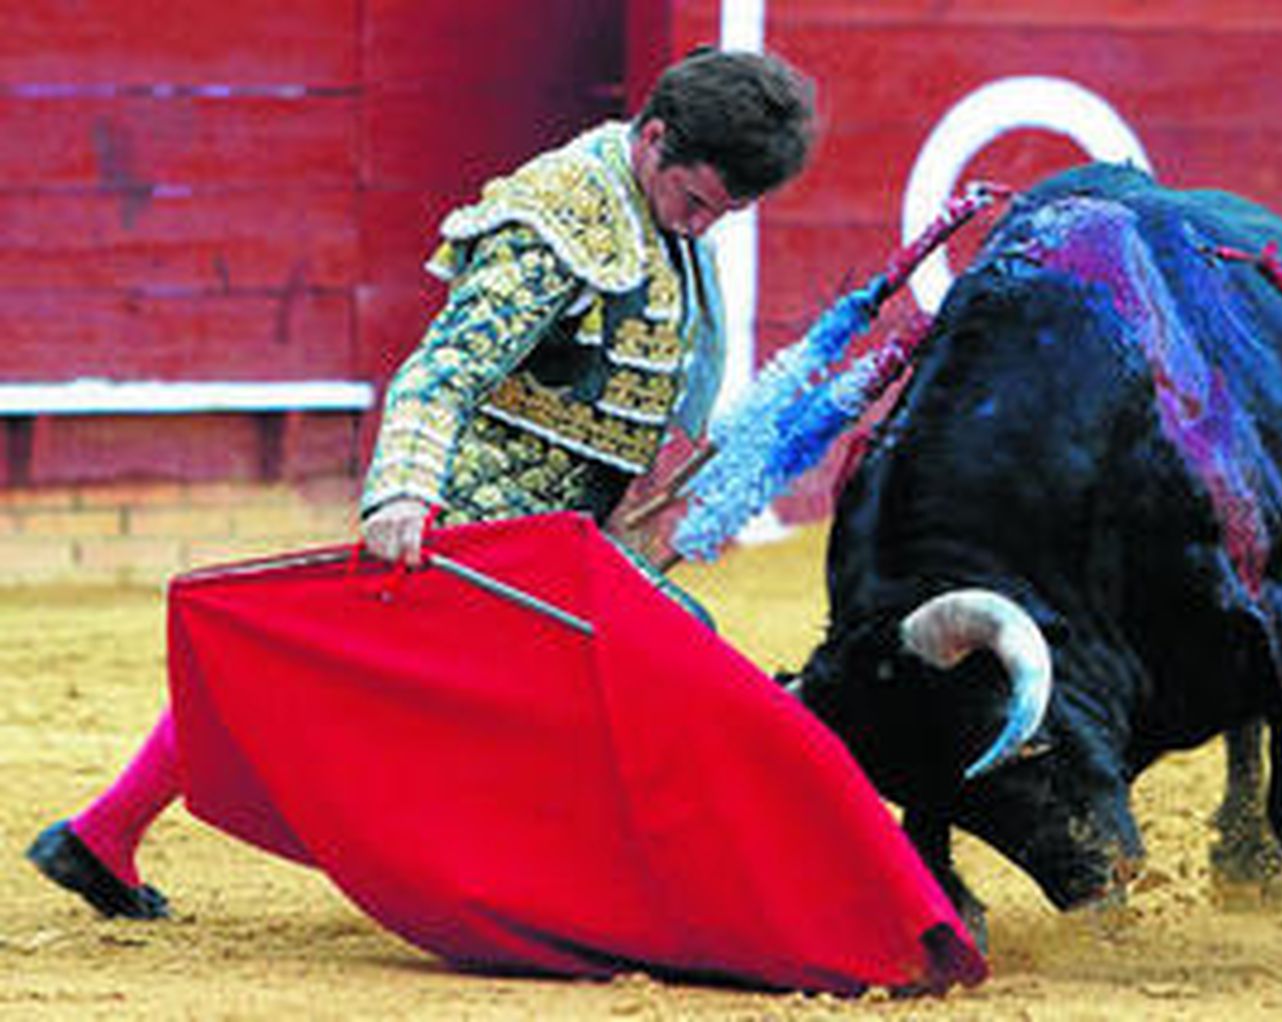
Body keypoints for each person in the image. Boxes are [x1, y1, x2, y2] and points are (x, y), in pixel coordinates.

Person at [26, 47, 817, 920]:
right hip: (480, 526)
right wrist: (402, 490)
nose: (700, 227)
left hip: (557, 529)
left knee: (310, 670)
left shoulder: (657, 212)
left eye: (722, 214)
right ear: (655, 137)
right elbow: (440, 371)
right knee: (653, 658)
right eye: (696, 201)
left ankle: (101, 833)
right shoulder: (560, 226)